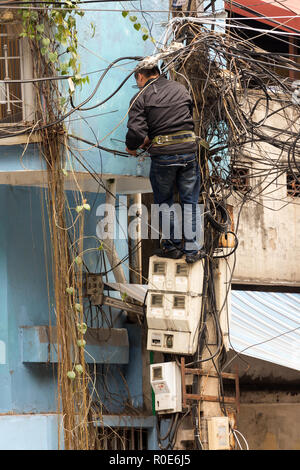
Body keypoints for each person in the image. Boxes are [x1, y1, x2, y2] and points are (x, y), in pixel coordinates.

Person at [125, 65, 205, 263]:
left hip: (164, 157)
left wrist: (132, 147)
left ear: (141, 77)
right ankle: (192, 250)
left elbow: (136, 131)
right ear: (158, 73)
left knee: (165, 203)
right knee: (190, 202)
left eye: (137, 81)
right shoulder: (180, 88)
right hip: (188, 151)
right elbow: (179, 118)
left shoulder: (141, 97)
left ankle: (173, 247)